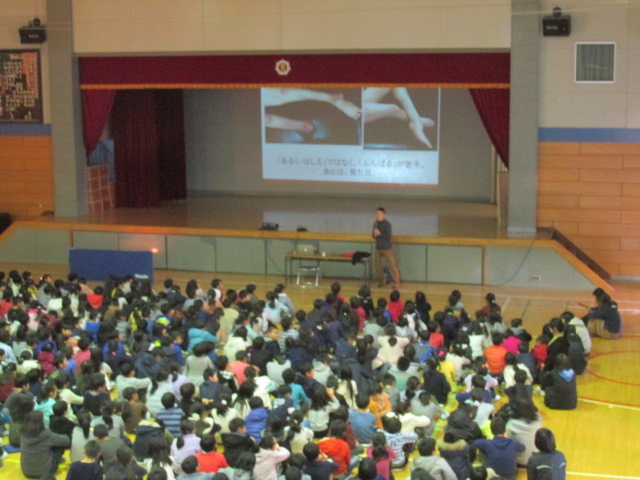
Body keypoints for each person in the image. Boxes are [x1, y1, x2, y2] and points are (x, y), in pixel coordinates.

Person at [20, 410, 71, 479]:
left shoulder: (23, 434)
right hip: (45, 472)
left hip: (26, 472)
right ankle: (58, 460)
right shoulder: (46, 435)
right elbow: (66, 441)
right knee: (59, 445)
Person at [372, 207, 400, 289]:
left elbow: (388, 236)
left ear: (384, 215)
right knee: (377, 265)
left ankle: (396, 282)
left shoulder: (387, 224)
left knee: (392, 265)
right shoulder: (375, 224)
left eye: (379, 214)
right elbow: (373, 235)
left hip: (387, 248)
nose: (377, 216)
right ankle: (383, 280)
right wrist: (374, 235)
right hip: (378, 248)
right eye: (376, 214)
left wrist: (379, 234)